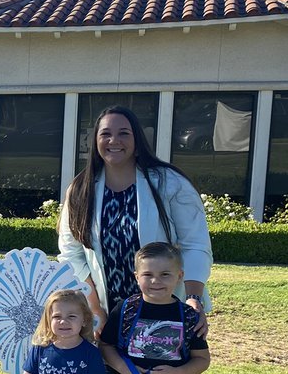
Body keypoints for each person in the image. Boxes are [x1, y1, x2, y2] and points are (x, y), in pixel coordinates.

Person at [58, 105, 212, 338]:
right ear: (95, 141)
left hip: (165, 310)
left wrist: (193, 298)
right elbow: (72, 253)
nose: (114, 140)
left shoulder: (169, 183)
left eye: (123, 133)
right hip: (107, 317)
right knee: (112, 373)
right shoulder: (80, 190)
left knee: (163, 373)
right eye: (105, 134)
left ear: (137, 140)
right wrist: (94, 308)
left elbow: (196, 244)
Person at [99, 242, 210, 374]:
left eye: (165, 274)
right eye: (148, 274)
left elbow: (202, 360)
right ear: (136, 276)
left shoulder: (188, 316)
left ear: (180, 276)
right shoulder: (124, 309)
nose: (155, 281)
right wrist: (123, 368)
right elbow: (105, 346)